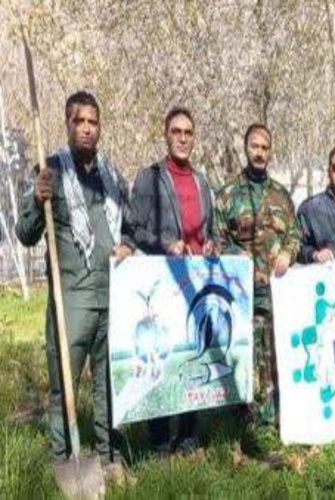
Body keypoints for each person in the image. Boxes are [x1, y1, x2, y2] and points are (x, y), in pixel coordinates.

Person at [15, 91, 134, 482]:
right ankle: (64, 462)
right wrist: (37, 198)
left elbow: (129, 226)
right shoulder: (50, 171)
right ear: (67, 125)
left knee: (108, 385)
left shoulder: (112, 176)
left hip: (110, 298)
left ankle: (109, 458)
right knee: (62, 387)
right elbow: (26, 233)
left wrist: (127, 244)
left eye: (93, 122)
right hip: (72, 304)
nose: (86, 128)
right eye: (79, 121)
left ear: (100, 128)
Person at [128, 106, 218, 454]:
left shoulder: (202, 181)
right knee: (164, 359)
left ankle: (190, 438)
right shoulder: (150, 178)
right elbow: (134, 228)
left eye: (188, 133)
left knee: (194, 353)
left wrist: (211, 244)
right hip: (164, 283)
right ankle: (160, 442)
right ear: (166, 135)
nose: (182, 138)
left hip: (197, 285)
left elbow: (210, 231)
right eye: (176, 131)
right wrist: (164, 245)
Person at [216, 123, 301, 425]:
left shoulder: (281, 196)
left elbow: (295, 234)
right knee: (247, 353)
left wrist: (289, 253)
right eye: (254, 146)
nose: (259, 153)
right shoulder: (228, 194)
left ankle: (277, 414)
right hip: (242, 292)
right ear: (245, 148)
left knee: (276, 349)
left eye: (265, 148)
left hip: (276, 291)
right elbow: (217, 240)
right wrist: (235, 254)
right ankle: (247, 418)